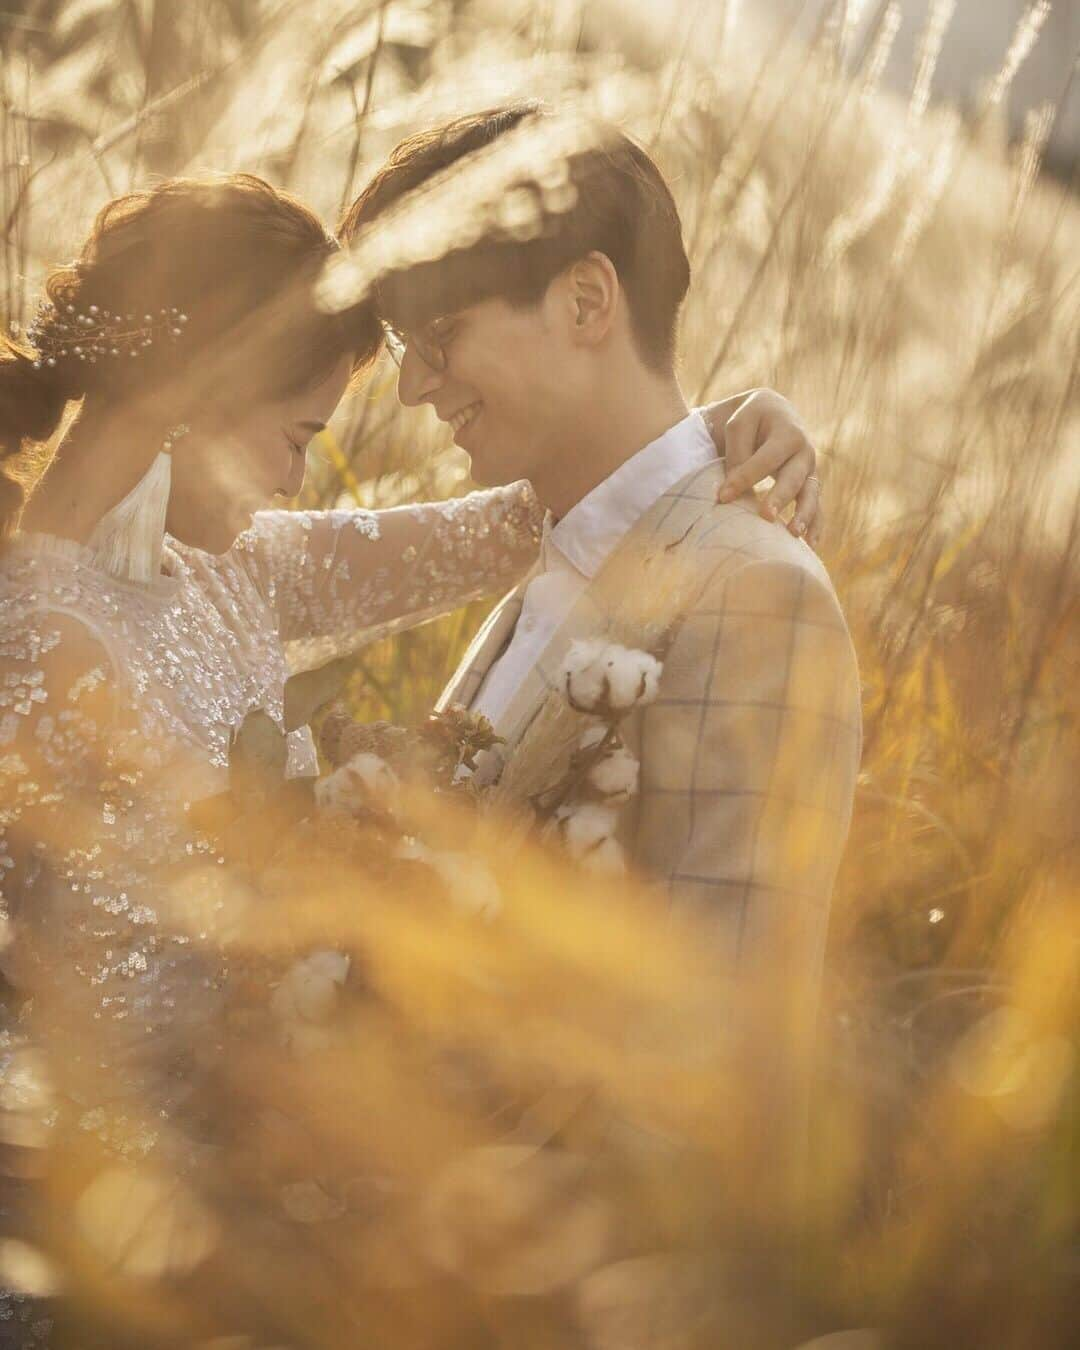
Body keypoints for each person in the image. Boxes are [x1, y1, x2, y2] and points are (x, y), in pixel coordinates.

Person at [0, 168, 820, 1347]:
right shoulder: (35, 637)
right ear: (197, 391)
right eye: (295, 439)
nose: (294, 479)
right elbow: (250, 909)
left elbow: (537, 512)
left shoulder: (240, 567)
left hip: (233, 1223)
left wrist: (736, 422)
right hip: (95, 1247)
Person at [341, 102, 862, 1171]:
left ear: (586, 300)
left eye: (436, 338)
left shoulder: (758, 595)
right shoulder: (546, 545)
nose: (411, 387)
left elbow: (723, 1046)